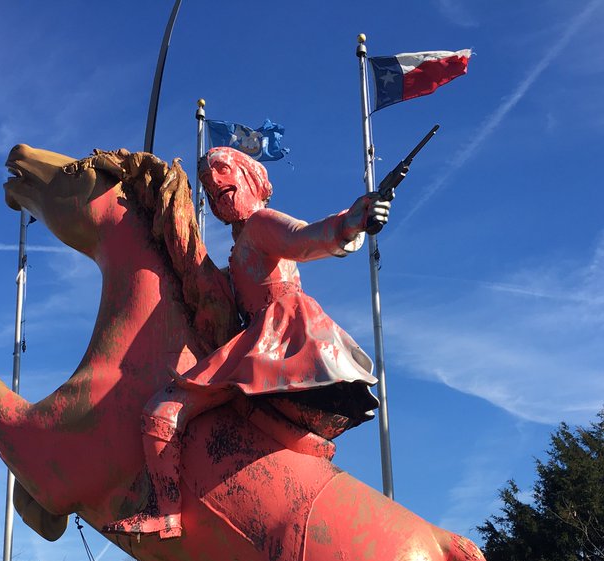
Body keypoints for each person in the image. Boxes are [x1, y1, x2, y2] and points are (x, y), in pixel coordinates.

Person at [104, 146, 390, 539]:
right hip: (259, 340)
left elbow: (303, 238)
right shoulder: (239, 251)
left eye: (222, 170)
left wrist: (350, 222)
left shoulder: (260, 224)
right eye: (207, 184)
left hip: (278, 339)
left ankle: (167, 511)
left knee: (163, 411)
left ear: (250, 176)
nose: (214, 183)